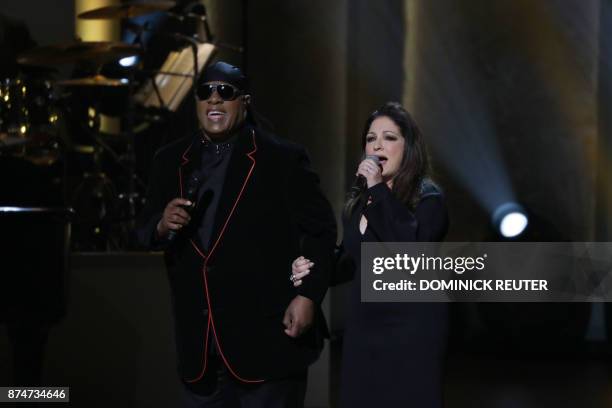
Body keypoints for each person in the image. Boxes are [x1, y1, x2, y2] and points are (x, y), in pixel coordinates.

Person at [135, 61, 337, 407]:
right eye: (205, 93)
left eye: (225, 92)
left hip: (267, 344)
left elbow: (321, 230)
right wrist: (160, 224)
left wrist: (308, 296)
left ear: (244, 101)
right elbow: (142, 231)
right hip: (200, 352)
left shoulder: (280, 158)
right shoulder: (170, 160)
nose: (214, 100)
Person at [291, 102, 449, 407]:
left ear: (408, 147)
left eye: (389, 137)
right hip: (365, 328)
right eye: (370, 138)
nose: (377, 144)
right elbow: (351, 263)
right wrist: (310, 267)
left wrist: (377, 189)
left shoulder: (428, 198)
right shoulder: (359, 203)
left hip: (412, 330)